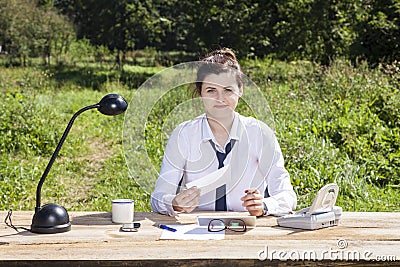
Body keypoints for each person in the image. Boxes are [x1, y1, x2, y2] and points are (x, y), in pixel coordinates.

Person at [151, 48, 296, 216]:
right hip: (195, 232)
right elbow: (158, 197)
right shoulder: (184, 134)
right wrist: (173, 203)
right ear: (200, 94)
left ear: (240, 90)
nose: (220, 99)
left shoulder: (259, 133)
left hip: (247, 231)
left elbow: (287, 195)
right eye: (211, 90)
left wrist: (264, 205)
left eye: (228, 90)